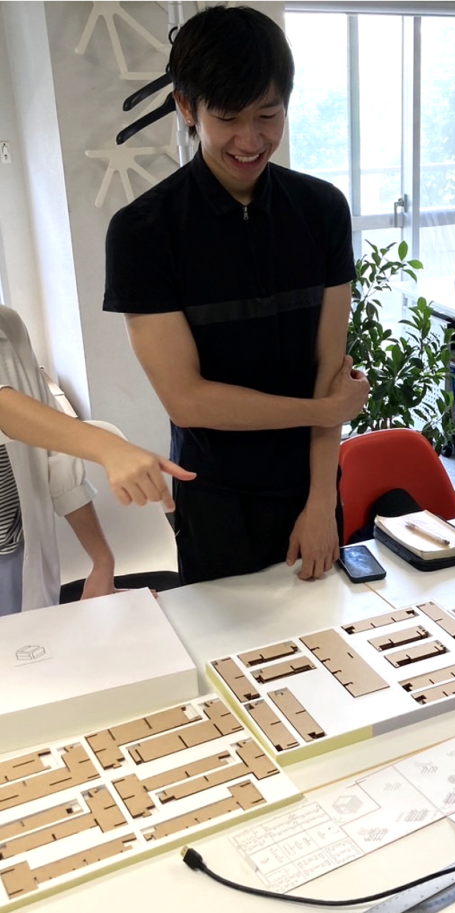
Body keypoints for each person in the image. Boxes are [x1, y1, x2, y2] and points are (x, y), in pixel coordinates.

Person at [104, 5, 369, 585]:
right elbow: (188, 400)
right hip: (216, 498)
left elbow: (331, 365)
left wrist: (323, 500)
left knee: (333, 647)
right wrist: (324, 412)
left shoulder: (322, 210)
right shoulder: (144, 231)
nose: (251, 140)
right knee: (232, 665)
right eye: (228, 118)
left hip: (312, 488)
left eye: (268, 114)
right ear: (186, 108)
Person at [0, 304, 195, 615]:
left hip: (16, 553)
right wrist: (109, 448)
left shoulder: (7, 324)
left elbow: (54, 457)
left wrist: (102, 562)